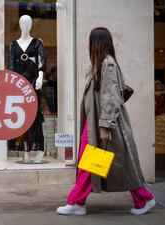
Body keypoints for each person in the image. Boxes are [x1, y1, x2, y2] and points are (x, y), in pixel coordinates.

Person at [56, 27, 155, 216]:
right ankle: (143, 198)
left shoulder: (107, 64)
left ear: (97, 43)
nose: (87, 44)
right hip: (95, 124)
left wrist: (105, 124)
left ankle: (78, 202)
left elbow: (110, 96)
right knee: (94, 162)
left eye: (90, 40)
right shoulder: (99, 65)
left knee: (103, 162)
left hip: (103, 125)